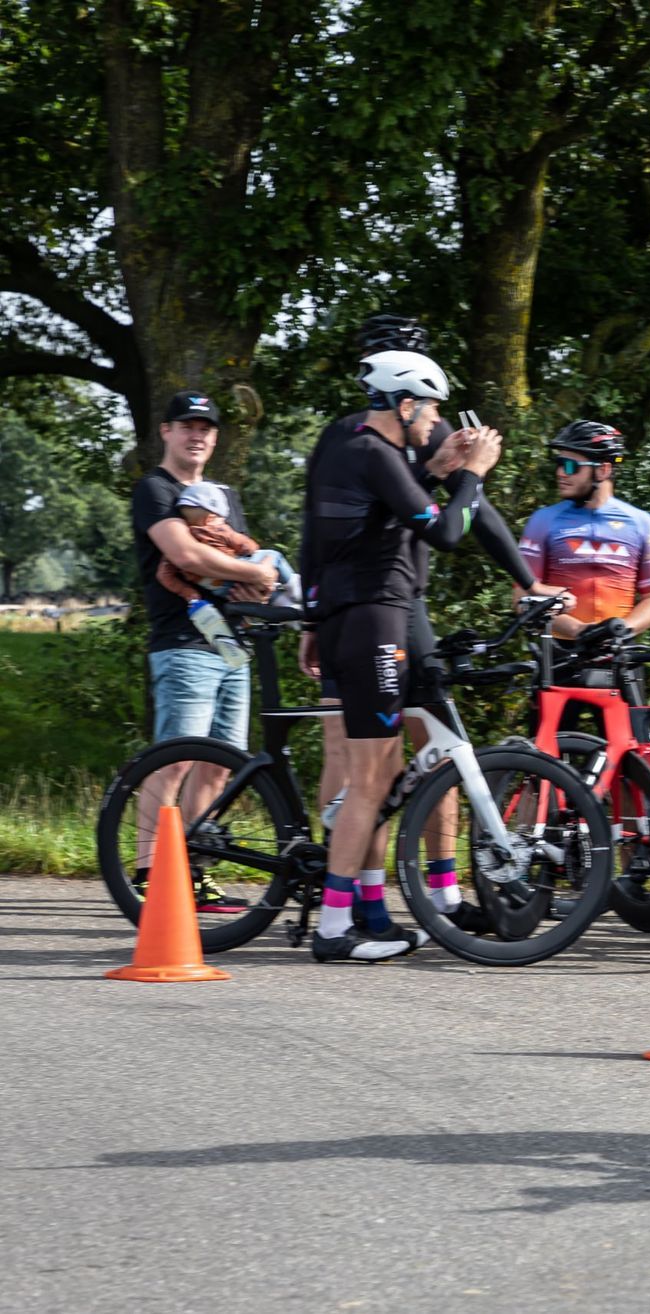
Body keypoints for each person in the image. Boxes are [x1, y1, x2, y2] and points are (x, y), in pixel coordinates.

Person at [301, 314, 566, 922]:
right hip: (367, 603)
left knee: (437, 741)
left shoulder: (430, 424)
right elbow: (320, 531)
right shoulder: (348, 437)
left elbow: (478, 513)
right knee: (362, 761)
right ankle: (363, 901)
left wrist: (527, 581)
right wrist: (312, 618)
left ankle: (440, 896)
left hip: (396, 603)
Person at [300, 348, 501, 962]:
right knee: (368, 784)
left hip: (346, 621)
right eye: (431, 406)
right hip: (375, 623)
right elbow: (445, 532)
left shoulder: (362, 449)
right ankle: (335, 930)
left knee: (374, 779)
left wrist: (441, 465)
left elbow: (371, 520)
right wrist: (474, 475)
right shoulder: (376, 454)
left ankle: (357, 914)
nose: (436, 416)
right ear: (405, 403)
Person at [130, 391, 282, 911]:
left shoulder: (224, 495)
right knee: (174, 760)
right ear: (166, 432)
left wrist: (254, 580)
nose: (197, 435)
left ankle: (191, 872)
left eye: (207, 428)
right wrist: (255, 572)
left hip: (231, 644)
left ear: (215, 439)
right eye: (187, 425)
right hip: (183, 643)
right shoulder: (155, 489)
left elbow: (245, 565)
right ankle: (150, 872)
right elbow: (186, 553)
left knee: (220, 768)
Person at [515, 421, 650, 639]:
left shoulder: (643, 523)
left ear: (603, 470)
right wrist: (580, 632)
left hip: (621, 655)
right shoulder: (543, 520)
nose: (560, 473)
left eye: (570, 466)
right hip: (561, 657)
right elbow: (522, 597)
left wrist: (619, 631)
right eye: (559, 463)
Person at [157, 482, 299, 609]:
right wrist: (252, 547)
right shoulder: (217, 528)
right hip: (238, 570)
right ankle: (295, 587)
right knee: (273, 556)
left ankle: (288, 607)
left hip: (219, 589)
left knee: (256, 588)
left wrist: (186, 591)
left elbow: (164, 575)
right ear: (211, 517)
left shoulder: (180, 541)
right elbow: (246, 547)